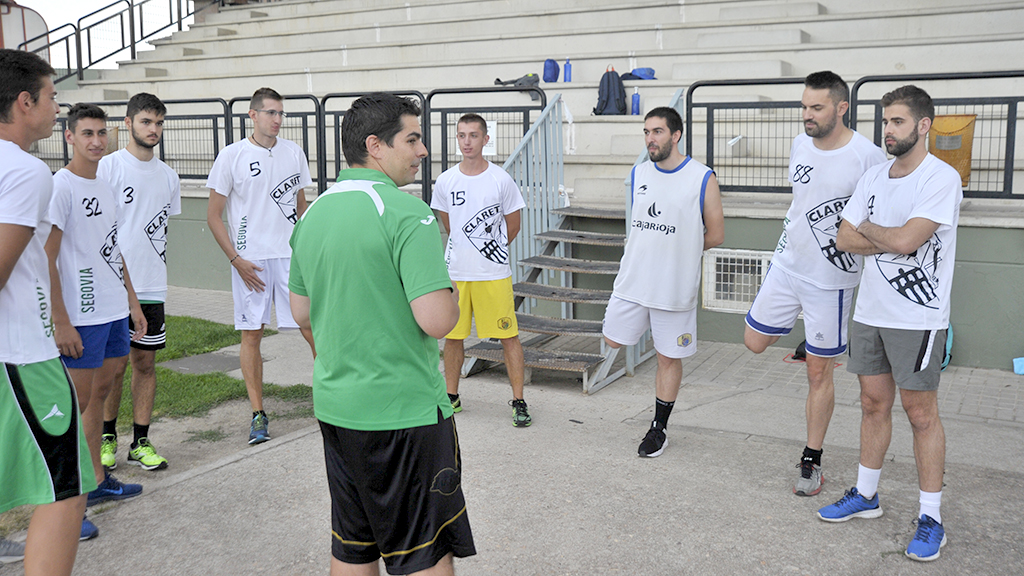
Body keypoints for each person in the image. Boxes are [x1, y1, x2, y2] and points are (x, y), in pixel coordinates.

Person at [289, 92, 475, 576]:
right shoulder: (407, 213)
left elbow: (301, 312)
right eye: (412, 139)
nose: (423, 150)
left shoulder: (313, 214)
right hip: (404, 413)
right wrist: (452, 293)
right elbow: (438, 320)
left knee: (353, 545)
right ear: (375, 145)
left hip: (337, 409)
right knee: (425, 552)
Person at [818, 85, 962, 563]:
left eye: (897, 121)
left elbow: (905, 242)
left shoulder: (941, 179)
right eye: (885, 122)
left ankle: (932, 518)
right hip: (870, 312)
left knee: (921, 415)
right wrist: (887, 235)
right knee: (872, 404)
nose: (888, 130)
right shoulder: (874, 176)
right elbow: (844, 238)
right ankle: (866, 494)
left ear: (923, 125)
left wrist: (872, 229)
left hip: (917, 318)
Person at [743, 71, 887, 496]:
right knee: (753, 342)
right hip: (788, 266)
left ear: (841, 108)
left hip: (831, 282)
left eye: (816, 108)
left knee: (818, 372)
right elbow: (800, 202)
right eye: (804, 107)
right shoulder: (799, 144)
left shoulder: (867, 156)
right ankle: (814, 339)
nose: (807, 115)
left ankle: (812, 459)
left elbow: (880, 214)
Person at [0, 48, 95, 575]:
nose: (58, 108)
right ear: (24, 101)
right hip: (22, 356)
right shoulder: (25, 171)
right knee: (66, 488)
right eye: (52, 96)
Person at [45, 103, 147, 538]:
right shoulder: (60, 187)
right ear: (69, 137)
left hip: (112, 310)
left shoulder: (105, 185)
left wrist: (133, 303)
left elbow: (113, 250)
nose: (96, 141)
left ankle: (96, 482)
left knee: (100, 396)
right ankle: (68, 504)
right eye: (87, 133)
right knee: (76, 406)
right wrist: (61, 321)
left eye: (101, 133)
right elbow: (46, 258)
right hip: (81, 317)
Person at [603, 106, 724, 458]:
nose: (650, 139)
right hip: (633, 281)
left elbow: (716, 234)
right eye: (646, 132)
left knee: (668, 356)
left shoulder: (702, 177)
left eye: (657, 131)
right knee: (612, 340)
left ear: (676, 135)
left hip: (673, 287)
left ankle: (659, 428)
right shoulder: (639, 172)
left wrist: (679, 251)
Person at [206, 87, 314, 444]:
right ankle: (258, 414)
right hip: (250, 261)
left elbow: (301, 208)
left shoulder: (294, 152)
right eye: (270, 113)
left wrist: (306, 251)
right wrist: (236, 260)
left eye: (281, 113)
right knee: (252, 333)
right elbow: (213, 216)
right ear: (252, 115)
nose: (277, 119)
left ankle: (334, 397)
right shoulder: (231, 156)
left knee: (311, 325)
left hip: (290, 257)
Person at [430, 113, 531, 426]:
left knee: (508, 336)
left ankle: (519, 400)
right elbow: (449, 225)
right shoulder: (446, 180)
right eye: (462, 135)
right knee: (453, 337)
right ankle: (451, 396)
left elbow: (513, 225)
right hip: (457, 274)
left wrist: (489, 251)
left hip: (493, 275)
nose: (467, 142)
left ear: (486, 139)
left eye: (473, 135)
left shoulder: (500, 179)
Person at [99, 93, 181, 471]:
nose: (154, 130)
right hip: (113, 285)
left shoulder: (168, 176)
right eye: (146, 122)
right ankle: (106, 437)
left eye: (159, 123)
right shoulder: (109, 167)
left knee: (145, 364)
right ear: (128, 122)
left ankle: (141, 442)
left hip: (151, 285)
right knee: (114, 367)